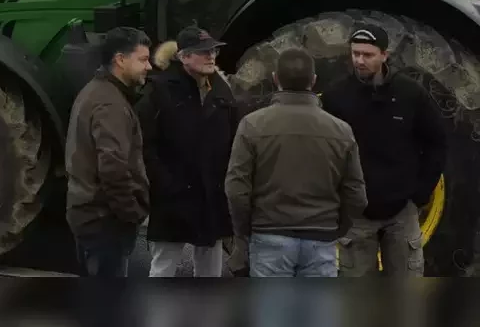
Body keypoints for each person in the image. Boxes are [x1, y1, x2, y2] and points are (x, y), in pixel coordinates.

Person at [224, 47, 367, 277]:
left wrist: (245, 231)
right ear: (314, 80)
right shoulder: (341, 130)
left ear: (275, 79)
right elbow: (357, 194)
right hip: (321, 239)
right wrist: (336, 228)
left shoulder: (252, 125)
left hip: (269, 235)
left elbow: (236, 190)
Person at [322, 25, 447, 276]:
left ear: (384, 55)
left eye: (367, 55)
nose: (359, 60)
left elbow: (436, 143)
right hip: (355, 216)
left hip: (402, 213)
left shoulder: (410, 94)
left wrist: (419, 196)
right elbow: (323, 151)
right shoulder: (336, 97)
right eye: (355, 53)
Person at [136, 27, 239, 277]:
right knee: (163, 268)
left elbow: (234, 140)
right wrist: (166, 185)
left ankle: (206, 317)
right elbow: (145, 145)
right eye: (203, 52)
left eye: (213, 50)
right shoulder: (159, 90)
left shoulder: (222, 91)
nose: (211, 56)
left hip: (212, 196)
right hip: (174, 198)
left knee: (210, 272)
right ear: (183, 57)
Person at [66, 27, 153, 276]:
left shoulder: (97, 91)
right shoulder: (110, 104)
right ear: (120, 60)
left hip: (92, 218)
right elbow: (113, 170)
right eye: (143, 59)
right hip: (105, 224)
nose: (149, 67)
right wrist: (132, 214)